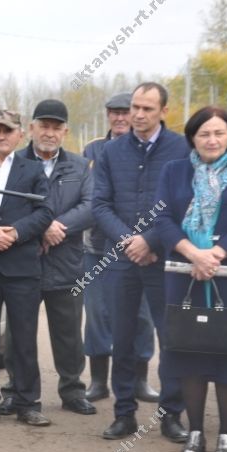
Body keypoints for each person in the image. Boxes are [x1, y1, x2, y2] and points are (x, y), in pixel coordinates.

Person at [154, 107, 227, 452]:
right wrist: (192, 253)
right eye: (204, 134)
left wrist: (214, 254)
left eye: (218, 133)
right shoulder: (174, 172)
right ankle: (197, 431)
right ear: (192, 138)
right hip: (182, 271)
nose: (212, 140)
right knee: (189, 350)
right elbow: (162, 218)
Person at [92, 82, 188, 442]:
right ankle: (124, 414)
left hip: (166, 259)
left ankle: (171, 414)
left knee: (171, 336)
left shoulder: (181, 149)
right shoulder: (111, 152)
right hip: (121, 260)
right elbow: (100, 204)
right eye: (135, 107)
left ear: (164, 111)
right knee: (123, 338)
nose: (138, 114)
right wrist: (128, 241)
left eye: (148, 108)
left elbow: (186, 202)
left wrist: (150, 240)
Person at [0, 110, 53, 426]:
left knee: (25, 339)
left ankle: (28, 403)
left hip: (22, 269)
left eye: (8, 130)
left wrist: (14, 233)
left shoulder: (32, 170)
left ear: (20, 134)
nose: (1, 135)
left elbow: (45, 212)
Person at [18, 99, 97, 415]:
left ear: (65, 131)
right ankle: (18, 392)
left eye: (56, 127)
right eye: (44, 126)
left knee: (68, 333)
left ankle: (73, 391)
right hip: (23, 262)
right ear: (31, 128)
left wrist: (59, 227)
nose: (49, 133)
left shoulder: (80, 166)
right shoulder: (15, 163)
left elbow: (92, 206)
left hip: (67, 263)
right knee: (19, 334)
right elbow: (6, 206)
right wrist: (39, 228)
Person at [82, 93, 158, 403]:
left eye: (125, 112)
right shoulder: (93, 151)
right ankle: (99, 381)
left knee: (142, 316)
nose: (120, 118)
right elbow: (90, 198)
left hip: (142, 249)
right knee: (98, 314)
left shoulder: (150, 152)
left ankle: (139, 380)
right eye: (113, 112)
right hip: (99, 247)